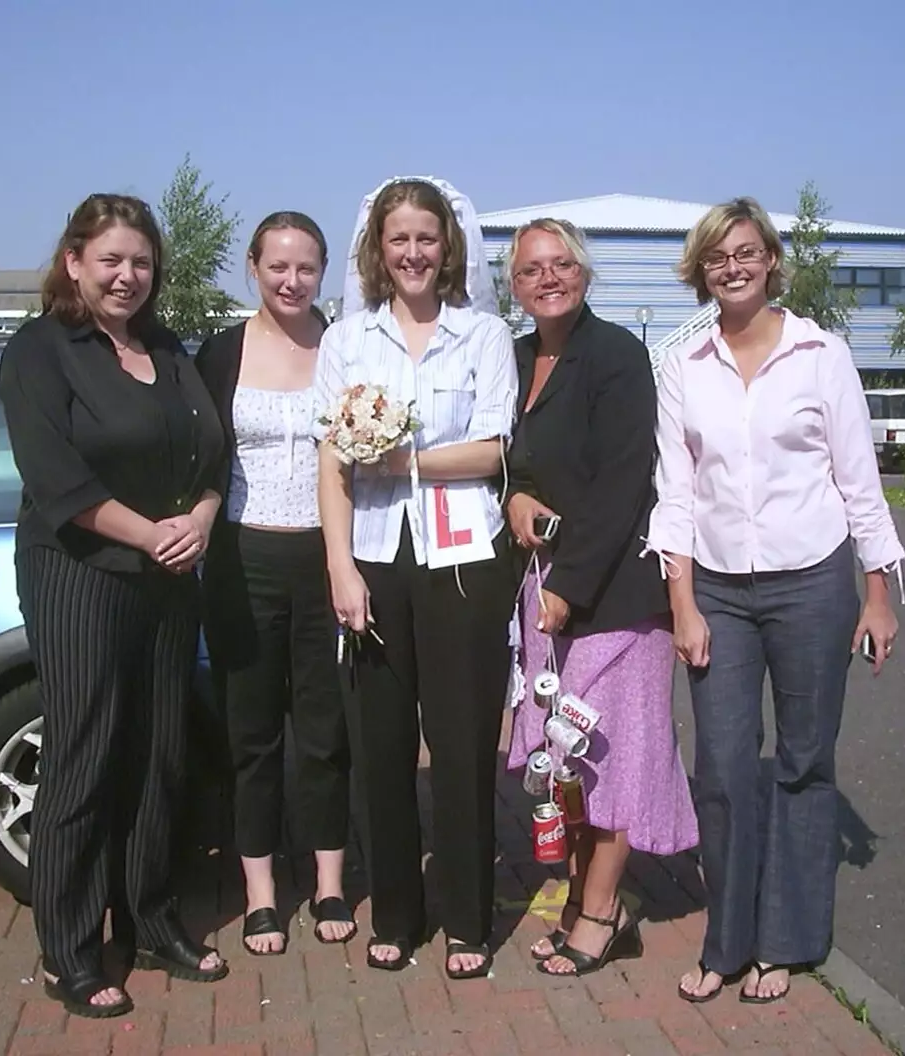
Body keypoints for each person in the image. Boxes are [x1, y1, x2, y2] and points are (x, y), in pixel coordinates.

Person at [644, 197, 905, 1005]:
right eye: (718, 256)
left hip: (813, 585)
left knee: (801, 762)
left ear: (770, 261)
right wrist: (682, 606)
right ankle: (726, 944)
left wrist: (877, 596)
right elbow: (676, 496)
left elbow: (858, 484)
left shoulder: (820, 354)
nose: (734, 267)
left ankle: (784, 944)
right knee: (723, 766)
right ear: (701, 269)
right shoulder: (680, 366)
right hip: (718, 591)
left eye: (748, 252)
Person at [0, 193, 231, 1018]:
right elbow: (57, 480)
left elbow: (215, 451)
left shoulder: (167, 349)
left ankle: (151, 918)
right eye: (111, 260)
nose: (127, 276)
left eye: (140, 262)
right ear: (74, 262)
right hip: (80, 574)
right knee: (86, 755)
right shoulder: (39, 351)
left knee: (161, 754)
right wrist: (151, 534)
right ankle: (69, 948)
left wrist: (199, 519)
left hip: (169, 578)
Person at [313, 177, 518, 979]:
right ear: (377, 249)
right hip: (373, 554)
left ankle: (467, 917)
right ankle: (396, 912)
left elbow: (495, 447)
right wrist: (339, 566)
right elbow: (332, 457)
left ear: (449, 244)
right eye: (398, 239)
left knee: (465, 744)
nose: (413, 254)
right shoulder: (348, 341)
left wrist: (406, 458)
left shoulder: (485, 335)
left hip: (464, 558)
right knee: (381, 744)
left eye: (426, 238)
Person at [501, 219, 699, 977]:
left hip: (612, 596)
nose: (547, 278)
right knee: (567, 765)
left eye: (561, 265)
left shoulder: (616, 355)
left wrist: (570, 589)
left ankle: (603, 912)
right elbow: (510, 460)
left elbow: (622, 485)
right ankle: (587, 894)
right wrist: (516, 497)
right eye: (530, 270)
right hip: (545, 592)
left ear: (584, 273)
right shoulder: (517, 359)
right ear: (513, 284)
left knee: (613, 760)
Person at [194, 212, 356, 956]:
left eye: (306, 269)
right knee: (252, 734)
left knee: (325, 734)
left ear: (324, 273)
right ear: (252, 268)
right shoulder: (221, 353)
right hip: (243, 557)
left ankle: (328, 880)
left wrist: (346, 560)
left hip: (328, 557)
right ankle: (261, 890)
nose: (292, 282)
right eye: (277, 267)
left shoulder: (347, 347)